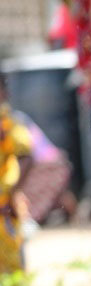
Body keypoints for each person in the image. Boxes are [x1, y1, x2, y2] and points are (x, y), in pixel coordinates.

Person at [0, 73, 33, 274]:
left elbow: (27, 156)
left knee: (12, 266)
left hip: (4, 204)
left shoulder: (9, 122)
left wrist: (14, 190)